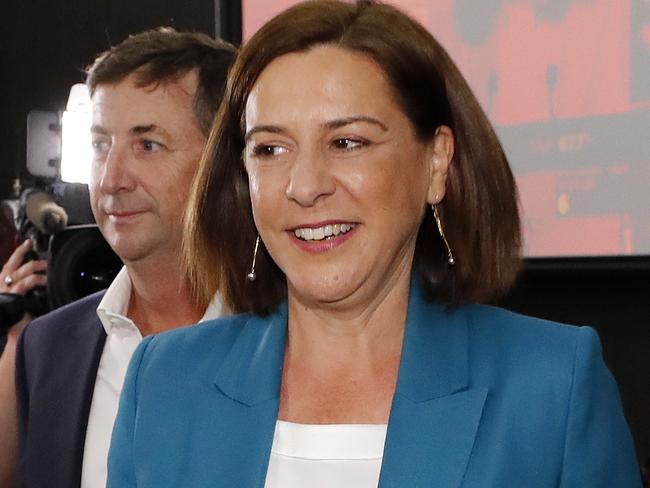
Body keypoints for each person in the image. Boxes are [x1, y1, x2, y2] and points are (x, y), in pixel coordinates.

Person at [107, 1, 642, 486]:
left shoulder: (552, 386)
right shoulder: (163, 382)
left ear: (436, 163)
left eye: (346, 142)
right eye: (270, 149)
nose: (305, 185)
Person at [12, 28, 236, 488]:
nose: (111, 179)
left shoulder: (299, 341)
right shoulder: (43, 350)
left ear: (225, 160)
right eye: (100, 146)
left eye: (147, 145)